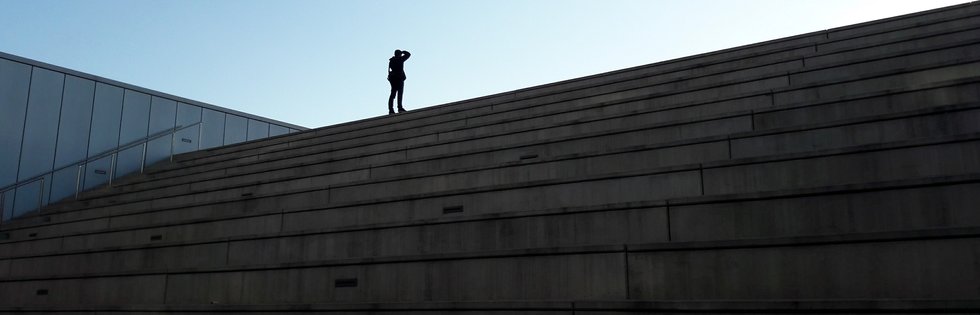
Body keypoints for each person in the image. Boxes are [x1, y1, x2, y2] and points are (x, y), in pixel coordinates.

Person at [387, 49, 411, 114]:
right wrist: (403, 52)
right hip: (399, 78)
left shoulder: (391, 60)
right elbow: (408, 54)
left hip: (393, 79)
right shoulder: (400, 59)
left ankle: (391, 109)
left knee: (393, 94)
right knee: (399, 93)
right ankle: (399, 107)